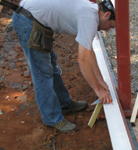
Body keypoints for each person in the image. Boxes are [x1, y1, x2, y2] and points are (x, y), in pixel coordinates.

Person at [12, 0, 115, 133]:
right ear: (106, 14)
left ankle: (64, 103)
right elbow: (83, 60)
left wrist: (100, 79)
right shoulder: (90, 17)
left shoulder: (91, 10)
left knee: (50, 65)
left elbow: (89, 51)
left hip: (35, 19)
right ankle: (52, 118)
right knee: (42, 72)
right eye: (110, 25)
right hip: (27, 20)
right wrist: (98, 89)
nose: (107, 29)